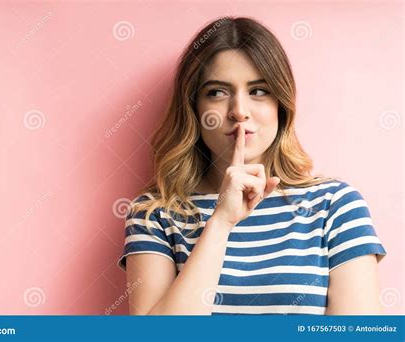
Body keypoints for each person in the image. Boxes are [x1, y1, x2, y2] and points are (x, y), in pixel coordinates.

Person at [117, 16, 386, 315]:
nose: (239, 111)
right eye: (217, 92)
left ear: (281, 105)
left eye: (258, 91)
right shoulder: (154, 214)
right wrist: (220, 222)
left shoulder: (335, 205)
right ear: (193, 108)